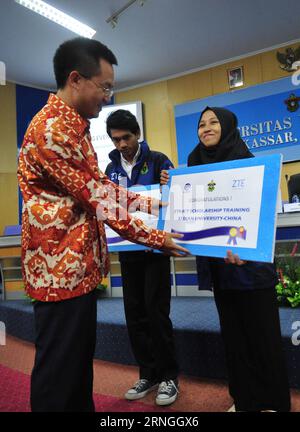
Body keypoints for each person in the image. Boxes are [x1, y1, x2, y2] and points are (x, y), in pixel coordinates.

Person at [17, 37, 188, 412]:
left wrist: (145, 200)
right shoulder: (53, 131)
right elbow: (101, 201)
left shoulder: (72, 127)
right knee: (59, 376)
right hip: (59, 273)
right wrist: (159, 237)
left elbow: (98, 187)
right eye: (105, 86)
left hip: (75, 271)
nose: (108, 97)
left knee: (77, 369)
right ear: (76, 79)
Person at [161, 106, 291, 412]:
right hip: (221, 271)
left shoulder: (248, 165)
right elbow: (190, 215)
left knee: (263, 338)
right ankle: (244, 399)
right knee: (234, 339)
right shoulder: (194, 164)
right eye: (201, 124)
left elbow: (261, 220)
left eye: (213, 122)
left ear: (228, 126)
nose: (205, 128)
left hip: (252, 271)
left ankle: (272, 402)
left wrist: (249, 252)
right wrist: (174, 185)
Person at [105, 110, 179, 406]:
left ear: (137, 134)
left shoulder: (159, 159)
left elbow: (173, 197)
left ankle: (169, 377)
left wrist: (169, 182)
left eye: (126, 137)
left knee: (156, 312)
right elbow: (106, 205)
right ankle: (147, 373)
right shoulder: (109, 169)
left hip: (154, 251)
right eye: (115, 139)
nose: (121, 144)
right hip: (126, 251)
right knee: (134, 314)